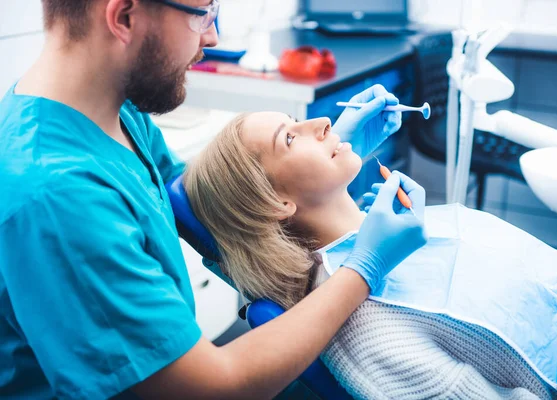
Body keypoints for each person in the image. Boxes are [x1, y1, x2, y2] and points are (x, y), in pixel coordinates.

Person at [0, 0, 427, 399]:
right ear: (124, 17)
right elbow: (211, 387)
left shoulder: (109, 111)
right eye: (202, 13)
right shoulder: (58, 198)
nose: (213, 38)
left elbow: (191, 201)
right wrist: (363, 269)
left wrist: (321, 160)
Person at [183, 111, 557, 400]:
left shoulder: (392, 225)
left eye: (294, 122)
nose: (324, 122)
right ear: (276, 202)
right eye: (290, 138)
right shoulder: (363, 329)